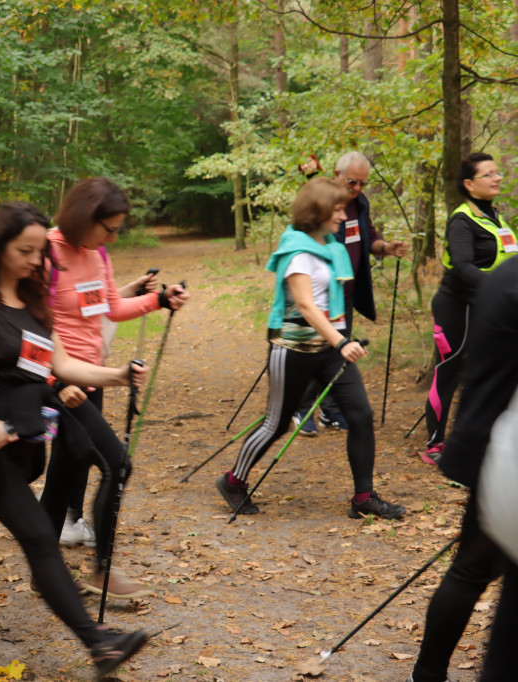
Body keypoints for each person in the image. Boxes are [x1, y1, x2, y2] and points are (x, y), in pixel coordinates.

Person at [0, 201, 147, 678]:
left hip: (20, 441)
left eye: (40, 251)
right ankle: (99, 644)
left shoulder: (33, 305)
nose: (34, 259)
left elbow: (61, 367)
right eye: (25, 249)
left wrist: (119, 375)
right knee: (41, 537)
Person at [216, 177, 404, 520]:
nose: (342, 216)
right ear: (317, 211)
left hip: (330, 350)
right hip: (293, 350)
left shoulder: (331, 247)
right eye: (336, 210)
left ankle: (363, 497)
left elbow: (331, 300)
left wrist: (340, 341)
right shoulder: (298, 251)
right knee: (277, 424)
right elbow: (305, 305)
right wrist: (341, 341)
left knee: (360, 415)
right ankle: (233, 481)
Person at [42, 177, 187, 598]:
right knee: (116, 464)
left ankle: (42, 570)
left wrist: (158, 300)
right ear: (84, 218)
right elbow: (29, 326)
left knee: (65, 469)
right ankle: (102, 569)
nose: (113, 236)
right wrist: (52, 381)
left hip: (93, 375)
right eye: (109, 227)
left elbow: (110, 308)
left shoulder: (97, 254)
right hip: (61, 383)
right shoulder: (48, 254)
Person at [408, 255, 518, 682]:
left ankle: (427, 674)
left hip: (490, 452)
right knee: (471, 571)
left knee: (470, 571)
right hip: (503, 457)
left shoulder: (505, 275)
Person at [292, 152, 408, 435]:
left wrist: (385, 247)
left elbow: (367, 235)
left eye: (362, 184)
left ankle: (331, 411)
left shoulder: (359, 204)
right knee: (319, 350)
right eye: (352, 182)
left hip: (347, 292)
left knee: (338, 353)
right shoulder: (323, 205)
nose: (357, 188)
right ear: (336, 174)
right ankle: (302, 408)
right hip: (321, 294)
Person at [420, 152, 516, 464]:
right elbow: (462, 266)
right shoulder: (461, 220)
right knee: (448, 371)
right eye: (488, 174)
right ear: (469, 184)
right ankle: (434, 443)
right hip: (456, 307)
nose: (497, 177)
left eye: (496, 172)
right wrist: (498, 288)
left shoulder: (496, 217)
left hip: (489, 307)